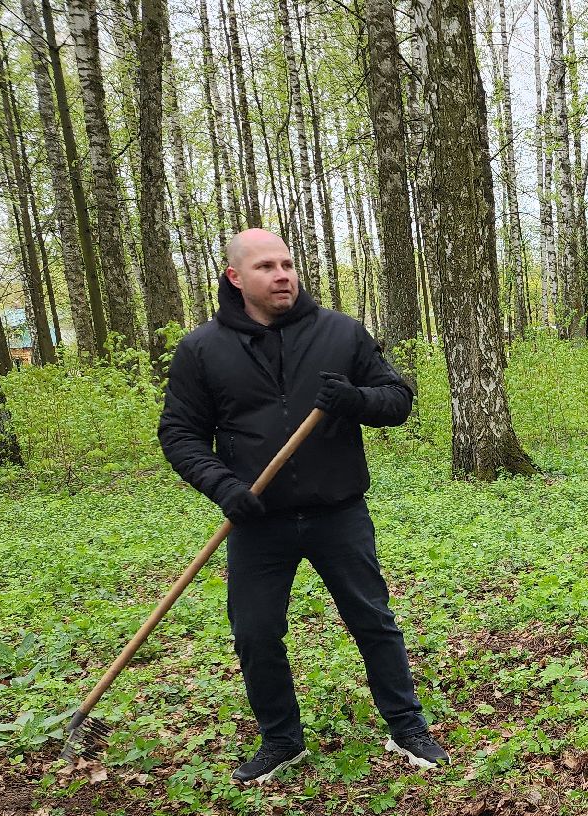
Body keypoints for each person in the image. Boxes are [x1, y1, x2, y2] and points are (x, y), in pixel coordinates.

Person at [158, 229, 448, 784]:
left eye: (288, 264)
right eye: (266, 266)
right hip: (257, 520)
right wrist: (222, 486)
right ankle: (281, 740)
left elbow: (397, 400)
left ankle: (407, 726)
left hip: (337, 512)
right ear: (236, 278)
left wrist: (355, 399)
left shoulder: (341, 333)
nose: (283, 274)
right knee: (255, 630)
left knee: (372, 619)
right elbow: (180, 434)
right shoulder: (203, 350)